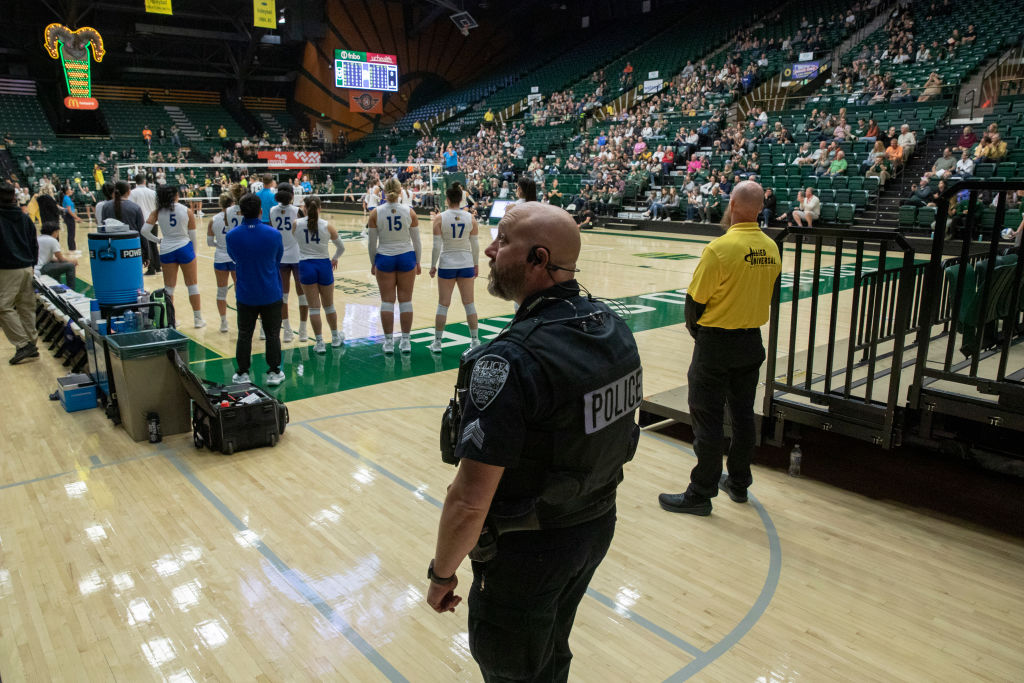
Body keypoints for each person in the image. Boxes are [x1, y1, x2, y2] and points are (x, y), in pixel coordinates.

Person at [427, 202, 642, 682]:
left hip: (528, 551)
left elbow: (468, 500)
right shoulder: (613, 327)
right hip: (593, 526)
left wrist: (442, 573)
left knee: (513, 667)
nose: (490, 249)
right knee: (550, 651)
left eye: (503, 241)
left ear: (538, 258)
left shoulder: (509, 360)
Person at [659, 181, 781, 515]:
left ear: (733, 205)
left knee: (707, 419)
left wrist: (701, 335)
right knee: (743, 415)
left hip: (716, 344)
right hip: (751, 342)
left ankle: (700, 493)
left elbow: (694, 304)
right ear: (760, 208)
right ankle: (738, 482)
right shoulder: (772, 247)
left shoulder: (720, 249)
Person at [225, 193, 285, 386]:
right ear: (261, 211)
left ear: (241, 212)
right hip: (271, 292)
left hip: (246, 294)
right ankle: (274, 372)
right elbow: (277, 258)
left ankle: (242, 373)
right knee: (272, 334)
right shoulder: (274, 234)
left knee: (244, 334)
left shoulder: (232, 236)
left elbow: (234, 258)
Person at [367, 177, 420, 354]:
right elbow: (417, 242)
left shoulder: (375, 213)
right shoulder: (410, 212)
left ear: (383, 192)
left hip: (385, 258)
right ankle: (405, 341)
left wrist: (373, 263)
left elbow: (371, 243)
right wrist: (418, 261)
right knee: (406, 301)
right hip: (406, 257)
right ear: (400, 192)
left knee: (387, 302)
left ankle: (389, 342)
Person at [141, 185, 206, 329]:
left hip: (167, 249)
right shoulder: (186, 210)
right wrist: (194, 253)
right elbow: (193, 235)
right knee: (192, 285)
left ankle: (171, 320)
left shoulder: (157, 212)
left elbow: (144, 231)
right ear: (176, 195)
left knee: (169, 288)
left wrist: (158, 240)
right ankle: (198, 320)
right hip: (185, 248)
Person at [428, 183, 481, 353]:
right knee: (469, 304)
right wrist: (476, 264)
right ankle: (475, 340)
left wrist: (433, 265)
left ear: (448, 199)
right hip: (466, 263)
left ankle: (437, 343)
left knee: (443, 304)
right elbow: (476, 246)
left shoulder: (440, 218)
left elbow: (436, 246)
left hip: (447, 264)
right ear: (461, 199)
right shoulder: (470, 218)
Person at [295, 195, 345, 353]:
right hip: (323, 265)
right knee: (329, 305)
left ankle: (320, 342)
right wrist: (334, 258)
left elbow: (295, 240)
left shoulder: (296, 224)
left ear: (304, 208)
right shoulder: (327, 226)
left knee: (314, 308)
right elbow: (341, 247)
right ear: (320, 208)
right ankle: (335, 338)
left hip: (306, 265)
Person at [0, 182, 40, 364]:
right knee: (26, 307)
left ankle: (24, 345)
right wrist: (33, 264)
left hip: (7, 269)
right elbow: (34, 242)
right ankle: (31, 343)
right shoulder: (24, 217)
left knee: (3, 307)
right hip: (27, 267)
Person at [269, 183, 309, 343]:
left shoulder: (272, 211)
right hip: (298, 256)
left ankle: (286, 331)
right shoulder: (297, 211)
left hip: (280, 257)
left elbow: (272, 232)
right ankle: (303, 330)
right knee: (302, 295)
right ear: (292, 195)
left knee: (283, 296)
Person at [206, 193, 237, 333]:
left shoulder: (213, 220)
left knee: (221, 291)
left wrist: (220, 245)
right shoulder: (237, 217)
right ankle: (242, 319)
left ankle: (224, 322)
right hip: (235, 257)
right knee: (239, 289)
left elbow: (209, 242)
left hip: (220, 258)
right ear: (232, 203)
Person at [129, 173, 160, 274]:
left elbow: (131, 208)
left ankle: (151, 268)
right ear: (145, 181)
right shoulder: (153, 192)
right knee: (153, 244)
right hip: (153, 221)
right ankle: (158, 266)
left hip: (142, 221)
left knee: (147, 245)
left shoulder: (132, 193)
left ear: (135, 182)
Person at [36, 222, 77, 286]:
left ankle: (57, 285)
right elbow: (61, 259)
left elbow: (50, 258)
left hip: (33, 268)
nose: (57, 234)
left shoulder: (38, 238)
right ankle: (71, 289)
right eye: (57, 232)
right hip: (40, 269)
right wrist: (72, 260)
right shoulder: (52, 240)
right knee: (70, 266)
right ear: (54, 232)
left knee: (56, 264)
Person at [61, 187, 80, 253]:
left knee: (71, 233)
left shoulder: (67, 198)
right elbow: (69, 210)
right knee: (71, 233)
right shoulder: (67, 198)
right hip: (69, 216)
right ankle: (72, 249)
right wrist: (76, 217)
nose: (71, 190)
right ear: (66, 191)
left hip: (68, 216)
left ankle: (72, 248)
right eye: (69, 189)